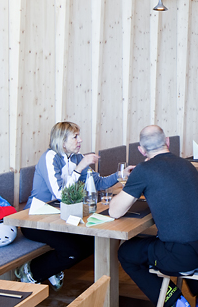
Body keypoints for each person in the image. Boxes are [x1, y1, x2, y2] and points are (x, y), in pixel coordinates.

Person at [111, 125, 198, 307]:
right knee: (179, 237)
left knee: (126, 253)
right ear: (167, 142)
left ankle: (174, 301)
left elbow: (115, 211)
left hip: (183, 257)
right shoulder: (187, 165)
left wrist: (131, 183)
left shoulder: (144, 170)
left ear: (141, 150)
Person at [15, 122, 128, 290]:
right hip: (35, 219)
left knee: (92, 242)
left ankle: (52, 267)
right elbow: (61, 194)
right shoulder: (50, 157)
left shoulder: (76, 157)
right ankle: (31, 271)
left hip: (62, 217)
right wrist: (79, 168)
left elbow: (97, 182)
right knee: (72, 251)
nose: (80, 140)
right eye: (75, 137)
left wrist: (120, 175)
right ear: (62, 142)